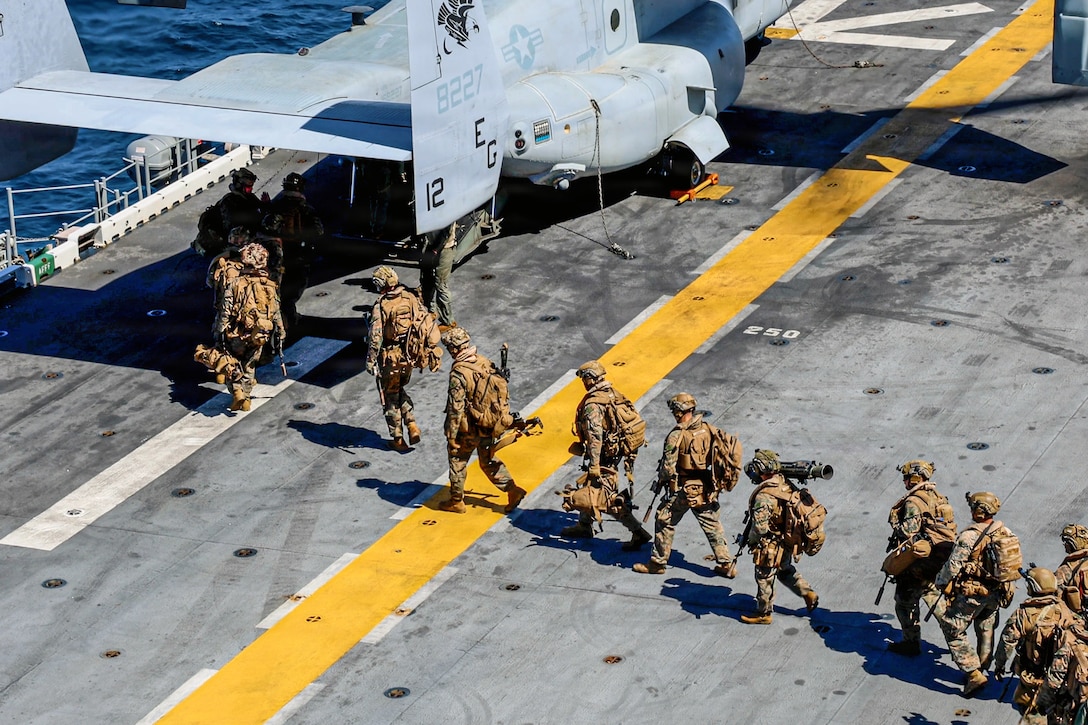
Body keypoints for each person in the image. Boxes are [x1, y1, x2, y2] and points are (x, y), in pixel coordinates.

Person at [632, 393, 735, 577]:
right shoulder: (708, 429)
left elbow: (668, 469)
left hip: (684, 488)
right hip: (705, 487)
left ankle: (657, 563)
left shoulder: (677, 435)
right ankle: (726, 563)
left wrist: (663, 479)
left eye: (675, 410)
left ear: (679, 412)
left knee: (664, 519)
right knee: (712, 524)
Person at [934, 491, 1020, 697]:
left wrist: (940, 581)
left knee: (952, 627)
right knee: (986, 626)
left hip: (973, 592)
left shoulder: (969, 535)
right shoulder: (1004, 531)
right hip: (996, 591)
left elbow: (954, 564)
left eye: (973, 507)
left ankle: (973, 673)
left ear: (979, 511)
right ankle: (983, 665)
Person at [559, 360, 652, 550]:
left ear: (590, 379)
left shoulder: (593, 404)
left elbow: (595, 437)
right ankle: (585, 525)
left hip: (603, 456)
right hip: (615, 451)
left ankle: (638, 532)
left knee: (606, 498)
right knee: (590, 488)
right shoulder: (612, 393)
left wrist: (594, 465)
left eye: (585, 378)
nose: (584, 382)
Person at [438, 326, 526, 514]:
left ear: (454, 349)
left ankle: (456, 501)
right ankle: (512, 490)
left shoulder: (459, 373)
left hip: (469, 428)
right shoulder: (484, 362)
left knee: (457, 459)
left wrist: (452, 435)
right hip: (490, 424)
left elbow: (456, 408)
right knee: (488, 460)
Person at [884, 459, 958, 656]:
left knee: (904, 601)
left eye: (906, 477)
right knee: (940, 607)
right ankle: (965, 656)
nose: (904, 481)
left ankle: (911, 643)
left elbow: (909, 531)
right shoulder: (937, 496)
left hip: (919, 563)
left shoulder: (913, 501)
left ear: (915, 478)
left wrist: (895, 524)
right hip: (938, 561)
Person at [738, 449, 819, 624]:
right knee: (785, 570)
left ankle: (763, 614)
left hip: (770, 544)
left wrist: (751, 542)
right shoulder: (784, 482)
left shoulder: (764, 496)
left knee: (764, 577)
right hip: (787, 539)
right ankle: (808, 593)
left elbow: (759, 528)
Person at [994, 567, 1075, 724]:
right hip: (1059, 677)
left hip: (1032, 676)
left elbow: (1007, 642)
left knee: (1029, 711)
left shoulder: (1023, 613)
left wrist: (1000, 665)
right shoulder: (1064, 609)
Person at [212, 241, 285, 412]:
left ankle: (237, 392)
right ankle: (246, 396)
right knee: (249, 365)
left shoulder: (235, 283)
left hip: (236, 333)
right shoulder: (269, 285)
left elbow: (226, 309)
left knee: (231, 362)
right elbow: (276, 312)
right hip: (258, 334)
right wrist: (280, 332)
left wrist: (220, 330)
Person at [365, 265, 426, 452]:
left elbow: (376, 336)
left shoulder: (381, 305)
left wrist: (370, 360)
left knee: (390, 396)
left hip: (390, 358)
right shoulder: (411, 298)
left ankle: (398, 438)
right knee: (399, 389)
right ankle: (412, 422)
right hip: (409, 356)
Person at [264, 172, 324, 332]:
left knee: (280, 288)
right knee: (293, 290)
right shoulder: (306, 209)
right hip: (299, 255)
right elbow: (318, 231)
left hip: (278, 256)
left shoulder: (277, 206)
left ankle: (284, 317)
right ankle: (287, 320)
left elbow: (267, 227)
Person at [419, 222, 458, 330]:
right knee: (426, 279)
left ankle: (448, 321)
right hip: (429, 245)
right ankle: (431, 311)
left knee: (441, 284)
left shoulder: (447, 213)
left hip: (445, 249)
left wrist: (435, 250)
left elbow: (445, 233)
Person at [1057, 523, 1088, 618]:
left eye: (1067, 542)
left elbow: (1057, 601)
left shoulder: (1065, 570)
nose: (1065, 545)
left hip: (1081, 621)